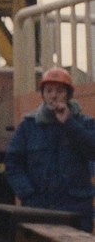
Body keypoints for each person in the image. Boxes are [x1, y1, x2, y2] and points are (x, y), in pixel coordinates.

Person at [5, 66, 95, 232]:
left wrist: (69, 123)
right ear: (43, 94)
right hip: (39, 209)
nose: (54, 96)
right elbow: (13, 163)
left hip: (76, 210)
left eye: (60, 91)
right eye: (49, 91)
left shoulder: (84, 123)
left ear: (68, 94)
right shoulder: (28, 127)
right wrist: (28, 195)